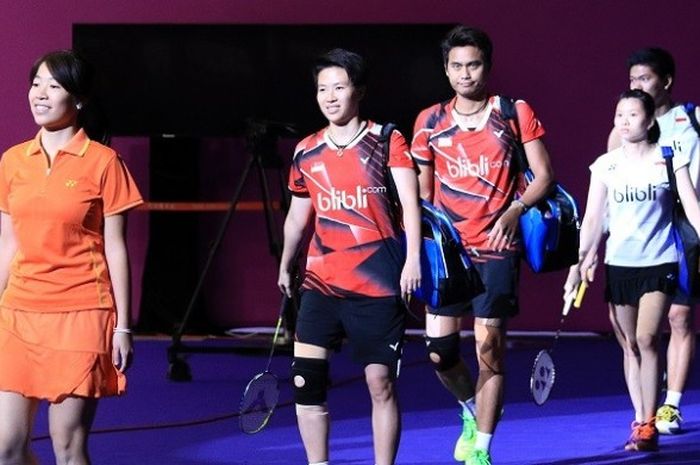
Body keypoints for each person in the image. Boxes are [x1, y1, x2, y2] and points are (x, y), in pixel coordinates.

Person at [411, 26, 554, 465]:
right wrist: (423, 245)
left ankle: (483, 449)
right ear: (446, 70)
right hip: (450, 255)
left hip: (496, 246)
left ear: (486, 67)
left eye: (473, 64)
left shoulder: (513, 111)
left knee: (488, 348)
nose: (465, 73)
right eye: (456, 65)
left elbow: (544, 176)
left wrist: (514, 211)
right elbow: (423, 195)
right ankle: (471, 411)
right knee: (438, 352)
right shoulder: (429, 121)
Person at [277, 48, 421, 465]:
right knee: (306, 381)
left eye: (339, 87)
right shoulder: (306, 151)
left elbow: (410, 207)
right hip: (321, 282)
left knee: (380, 383)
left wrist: (413, 260)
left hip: (377, 282)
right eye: (322, 89)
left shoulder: (386, 140)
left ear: (359, 90)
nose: (330, 96)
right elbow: (296, 219)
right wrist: (287, 263)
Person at [0, 50, 143, 464]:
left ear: (78, 99)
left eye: (54, 86)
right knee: (6, 448)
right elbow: (8, 242)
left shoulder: (104, 162)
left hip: (81, 313)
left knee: (67, 446)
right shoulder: (12, 161)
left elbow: (116, 247)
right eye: (36, 83)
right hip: (19, 313)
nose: (40, 94)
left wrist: (123, 327)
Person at [567, 89, 700, 451]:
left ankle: (650, 422)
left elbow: (691, 206)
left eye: (633, 115)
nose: (624, 122)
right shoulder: (605, 164)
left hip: (659, 261)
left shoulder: (671, 158)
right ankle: (640, 419)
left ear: (650, 120)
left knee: (646, 338)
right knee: (629, 346)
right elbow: (594, 217)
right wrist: (581, 260)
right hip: (619, 265)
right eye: (619, 115)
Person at [606, 48, 700, 435]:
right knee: (633, 335)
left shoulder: (691, 120)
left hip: (684, 227)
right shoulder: (622, 130)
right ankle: (644, 405)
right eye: (632, 80)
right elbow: (611, 185)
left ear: (666, 82)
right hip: (638, 235)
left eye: (644, 79)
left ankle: (671, 404)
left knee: (679, 316)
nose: (637, 86)